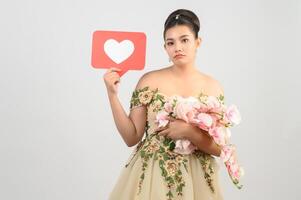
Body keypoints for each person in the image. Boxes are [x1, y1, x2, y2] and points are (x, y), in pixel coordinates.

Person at [104, 8, 224, 200]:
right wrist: (112, 94)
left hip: (196, 181)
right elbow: (131, 137)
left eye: (184, 40)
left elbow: (219, 148)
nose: (177, 47)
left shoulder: (212, 87)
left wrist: (189, 131)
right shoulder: (149, 81)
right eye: (170, 42)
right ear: (165, 48)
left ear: (197, 42)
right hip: (153, 176)